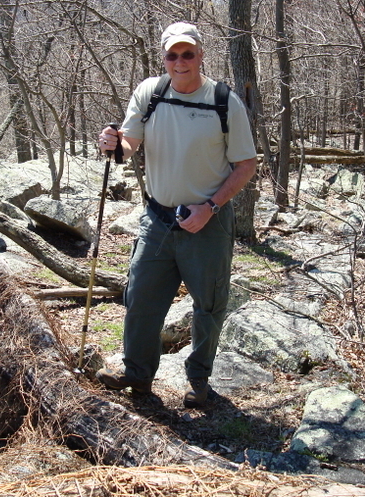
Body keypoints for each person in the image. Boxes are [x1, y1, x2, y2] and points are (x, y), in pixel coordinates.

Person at [95, 21, 257, 408]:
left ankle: (199, 381)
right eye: (173, 55)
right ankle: (137, 375)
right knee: (141, 299)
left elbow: (246, 164)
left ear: (201, 55)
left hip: (209, 222)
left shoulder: (223, 100)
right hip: (157, 219)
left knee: (209, 304)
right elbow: (130, 144)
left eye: (188, 54)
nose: (180, 61)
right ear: (164, 58)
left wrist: (211, 207)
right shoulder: (150, 93)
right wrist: (114, 145)